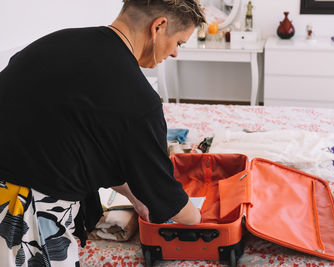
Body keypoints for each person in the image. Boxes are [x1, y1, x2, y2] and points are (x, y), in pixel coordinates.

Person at [0, 0, 206, 266]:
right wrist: (199, 220)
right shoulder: (138, 99)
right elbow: (166, 195)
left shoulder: (59, 41)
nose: (176, 54)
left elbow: (81, 140)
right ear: (159, 27)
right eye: (179, 43)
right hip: (22, 207)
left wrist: (133, 193)